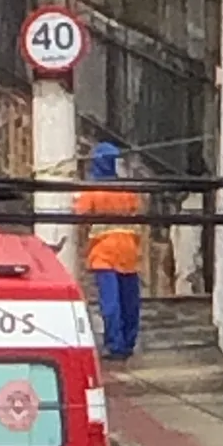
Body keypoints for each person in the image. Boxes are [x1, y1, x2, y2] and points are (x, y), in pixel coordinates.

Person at [73, 139, 143, 361]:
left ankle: (115, 345)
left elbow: (80, 216)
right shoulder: (127, 191)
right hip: (129, 252)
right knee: (129, 302)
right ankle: (128, 342)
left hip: (104, 253)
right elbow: (137, 214)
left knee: (111, 303)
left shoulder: (92, 191)